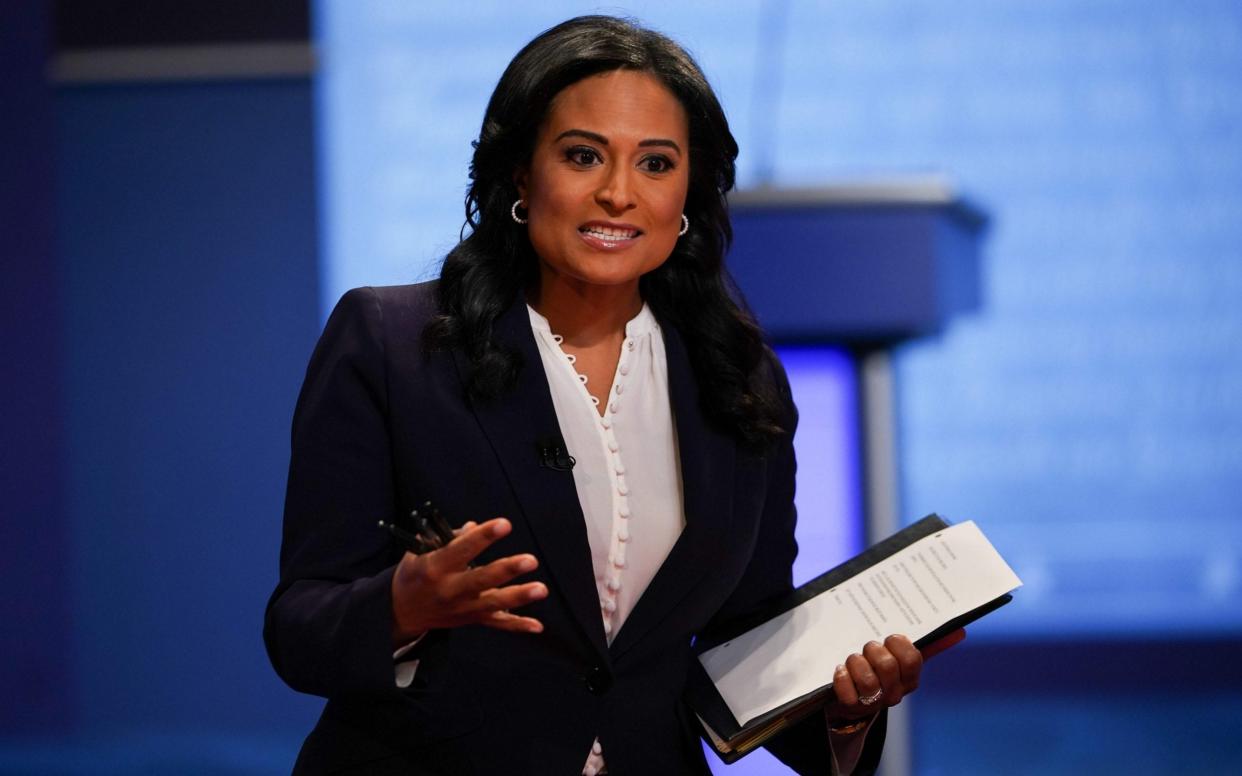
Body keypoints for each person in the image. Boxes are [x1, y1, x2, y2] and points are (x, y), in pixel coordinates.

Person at [264, 14, 961, 776]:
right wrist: (402, 608)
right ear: (520, 176)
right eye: (583, 155)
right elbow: (300, 627)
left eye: (656, 164)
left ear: (689, 190)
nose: (619, 193)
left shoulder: (741, 378)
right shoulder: (393, 344)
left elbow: (742, 644)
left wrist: (846, 705)